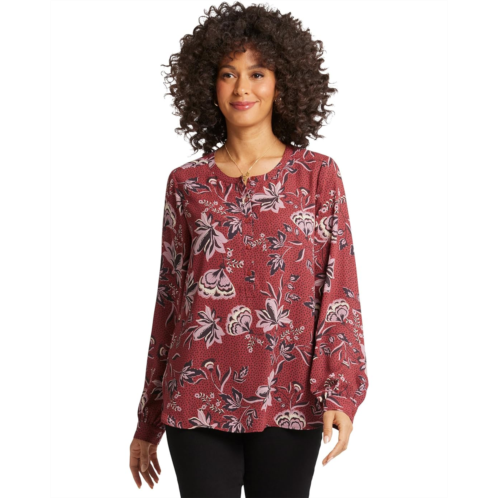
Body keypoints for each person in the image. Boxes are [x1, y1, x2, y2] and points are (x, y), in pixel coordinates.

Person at [129, 2, 369, 497]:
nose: (242, 88)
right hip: (195, 396)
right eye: (227, 74)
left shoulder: (318, 176)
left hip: (290, 397)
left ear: (282, 83)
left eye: (257, 73)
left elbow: (339, 291)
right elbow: (169, 302)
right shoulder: (186, 183)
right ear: (208, 85)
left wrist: (340, 392)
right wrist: (148, 419)